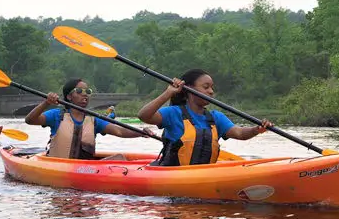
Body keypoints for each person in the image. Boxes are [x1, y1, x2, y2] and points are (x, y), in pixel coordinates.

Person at [138, 69, 273, 166]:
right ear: (189, 89)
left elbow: (240, 133)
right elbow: (144, 115)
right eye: (206, 87)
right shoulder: (173, 113)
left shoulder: (216, 118)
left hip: (205, 175)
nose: (211, 91)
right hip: (172, 175)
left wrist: (256, 129)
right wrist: (168, 93)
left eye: (212, 87)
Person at [25, 78, 154, 160]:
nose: (85, 94)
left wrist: (141, 132)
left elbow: (119, 131)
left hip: (84, 170)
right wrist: (46, 103)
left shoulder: (94, 120)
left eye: (88, 91)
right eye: (80, 91)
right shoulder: (56, 115)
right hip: (57, 166)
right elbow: (30, 120)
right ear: (69, 96)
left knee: (119, 158)